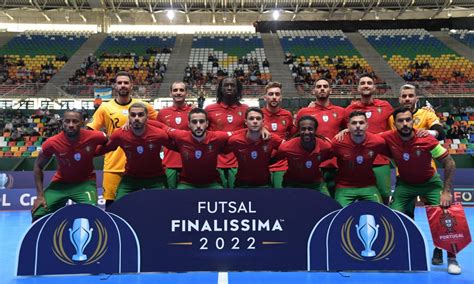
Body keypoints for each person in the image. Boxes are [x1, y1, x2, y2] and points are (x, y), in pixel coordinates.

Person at [381, 106, 460, 275]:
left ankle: (452, 259)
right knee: (394, 217)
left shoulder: (426, 139)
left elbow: (450, 163)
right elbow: (366, 139)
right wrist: (345, 131)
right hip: (405, 185)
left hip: (430, 184)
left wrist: (446, 192)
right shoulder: (388, 137)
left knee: (446, 215)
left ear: (413, 121)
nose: (405, 123)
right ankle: (401, 255)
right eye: (400, 121)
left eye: (408, 120)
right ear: (394, 124)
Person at [87, 71, 158, 208]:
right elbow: (90, 132)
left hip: (139, 166)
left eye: (126, 83)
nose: (123, 85)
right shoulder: (105, 107)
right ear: (115, 86)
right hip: (113, 166)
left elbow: (160, 124)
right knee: (112, 205)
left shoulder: (143, 107)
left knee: (142, 206)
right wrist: (104, 138)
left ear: (132, 86)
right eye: (120, 83)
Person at [31, 109, 107, 221]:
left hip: (85, 183)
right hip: (60, 184)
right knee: (38, 212)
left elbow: (110, 142)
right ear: (62, 122)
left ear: (82, 123)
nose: (71, 125)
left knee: (91, 212)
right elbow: (38, 166)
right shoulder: (52, 143)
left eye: (75, 121)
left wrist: (94, 152)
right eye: (67, 121)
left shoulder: (95, 136)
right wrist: (40, 196)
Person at [97, 103, 170, 200]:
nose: (136, 118)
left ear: (146, 117)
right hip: (130, 179)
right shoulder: (120, 134)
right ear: (128, 117)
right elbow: (103, 149)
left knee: (164, 207)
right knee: (119, 206)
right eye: (133, 115)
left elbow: (177, 147)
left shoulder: (159, 135)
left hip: (156, 178)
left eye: (140, 115)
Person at [344, 75, 393, 204]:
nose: (366, 85)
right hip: (356, 160)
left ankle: (383, 221)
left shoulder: (386, 106)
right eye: (363, 83)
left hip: (380, 160)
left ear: (374, 87)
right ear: (358, 88)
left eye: (369, 83)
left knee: (384, 196)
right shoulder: (349, 110)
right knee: (358, 196)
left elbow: (396, 128)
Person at [296, 78, 346, 197]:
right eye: (318, 87)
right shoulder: (304, 112)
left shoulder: (341, 111)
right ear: (314, 91)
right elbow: (295, 136)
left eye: (325, 86)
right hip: (312, 163)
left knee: (333, 199)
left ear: (331, 90)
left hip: (335, 164)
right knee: (312, 199)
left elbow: (348, 131)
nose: (322, 88)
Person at [332, 111, 388, 207]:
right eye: (354, 123)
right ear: (348, 126)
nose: (358, 126)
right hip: (345, 187)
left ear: (367, 125)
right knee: (339, 215)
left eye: (361, 123)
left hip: (368, 186)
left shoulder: (378, 142)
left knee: (380, 211)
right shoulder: (337, 142)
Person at [167, 108, 231, 189]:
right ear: (189, 124)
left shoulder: (217, 137)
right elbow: (162, 127)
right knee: (178, 200)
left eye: (201, 121)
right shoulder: (180, 136)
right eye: (194, 122)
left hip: (212, 183)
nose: (198, 125)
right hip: (187, 183)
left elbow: (237, 134)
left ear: (207, 123)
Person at [205, 77, 248, 188]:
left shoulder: (246, 109)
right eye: (226, 85)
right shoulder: (209, 109)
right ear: (220, 89)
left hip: (238, 160)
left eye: (232, 85)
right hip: (215, 160)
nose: (229, 87)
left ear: (238, 89)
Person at [225, 107, 283, 188]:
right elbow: (221, 147)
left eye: (258, 119)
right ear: (245, 122)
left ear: (263, 122)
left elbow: (287, 148)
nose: (255, 121)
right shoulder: (235, 140)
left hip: (264, 185)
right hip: (241, 185)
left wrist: (273, 159)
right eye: (251, 119)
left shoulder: (272, 138)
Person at [277, 116, 333, 194]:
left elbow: (329, 155)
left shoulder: (325, 146)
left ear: (315, 130)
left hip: (316, 184)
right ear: (299, 130)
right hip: (293, 184)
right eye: (303, 129)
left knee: (328, 204)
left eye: (310, 129)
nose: (306, 132)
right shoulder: (286, 147)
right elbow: (277, 157)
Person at [156, 82, 192, 188]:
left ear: (186, 93)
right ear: (170, 93)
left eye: (181, 90)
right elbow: (157, 137)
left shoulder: (194, 112)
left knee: (188, 198)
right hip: (169, 163)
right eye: (175, 90)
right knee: (169, 198)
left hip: (190, 163)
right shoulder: (162, 113)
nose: (178, 93)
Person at [261, 81, 296, 188]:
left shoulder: (287, 115)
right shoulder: (258, 116)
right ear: (265, 97)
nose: (274, 97)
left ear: (281, 97)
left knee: (280, 197)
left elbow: (293, 136)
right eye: (271, 94)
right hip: (261, 163)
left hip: (281, 164)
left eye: (277, 94)